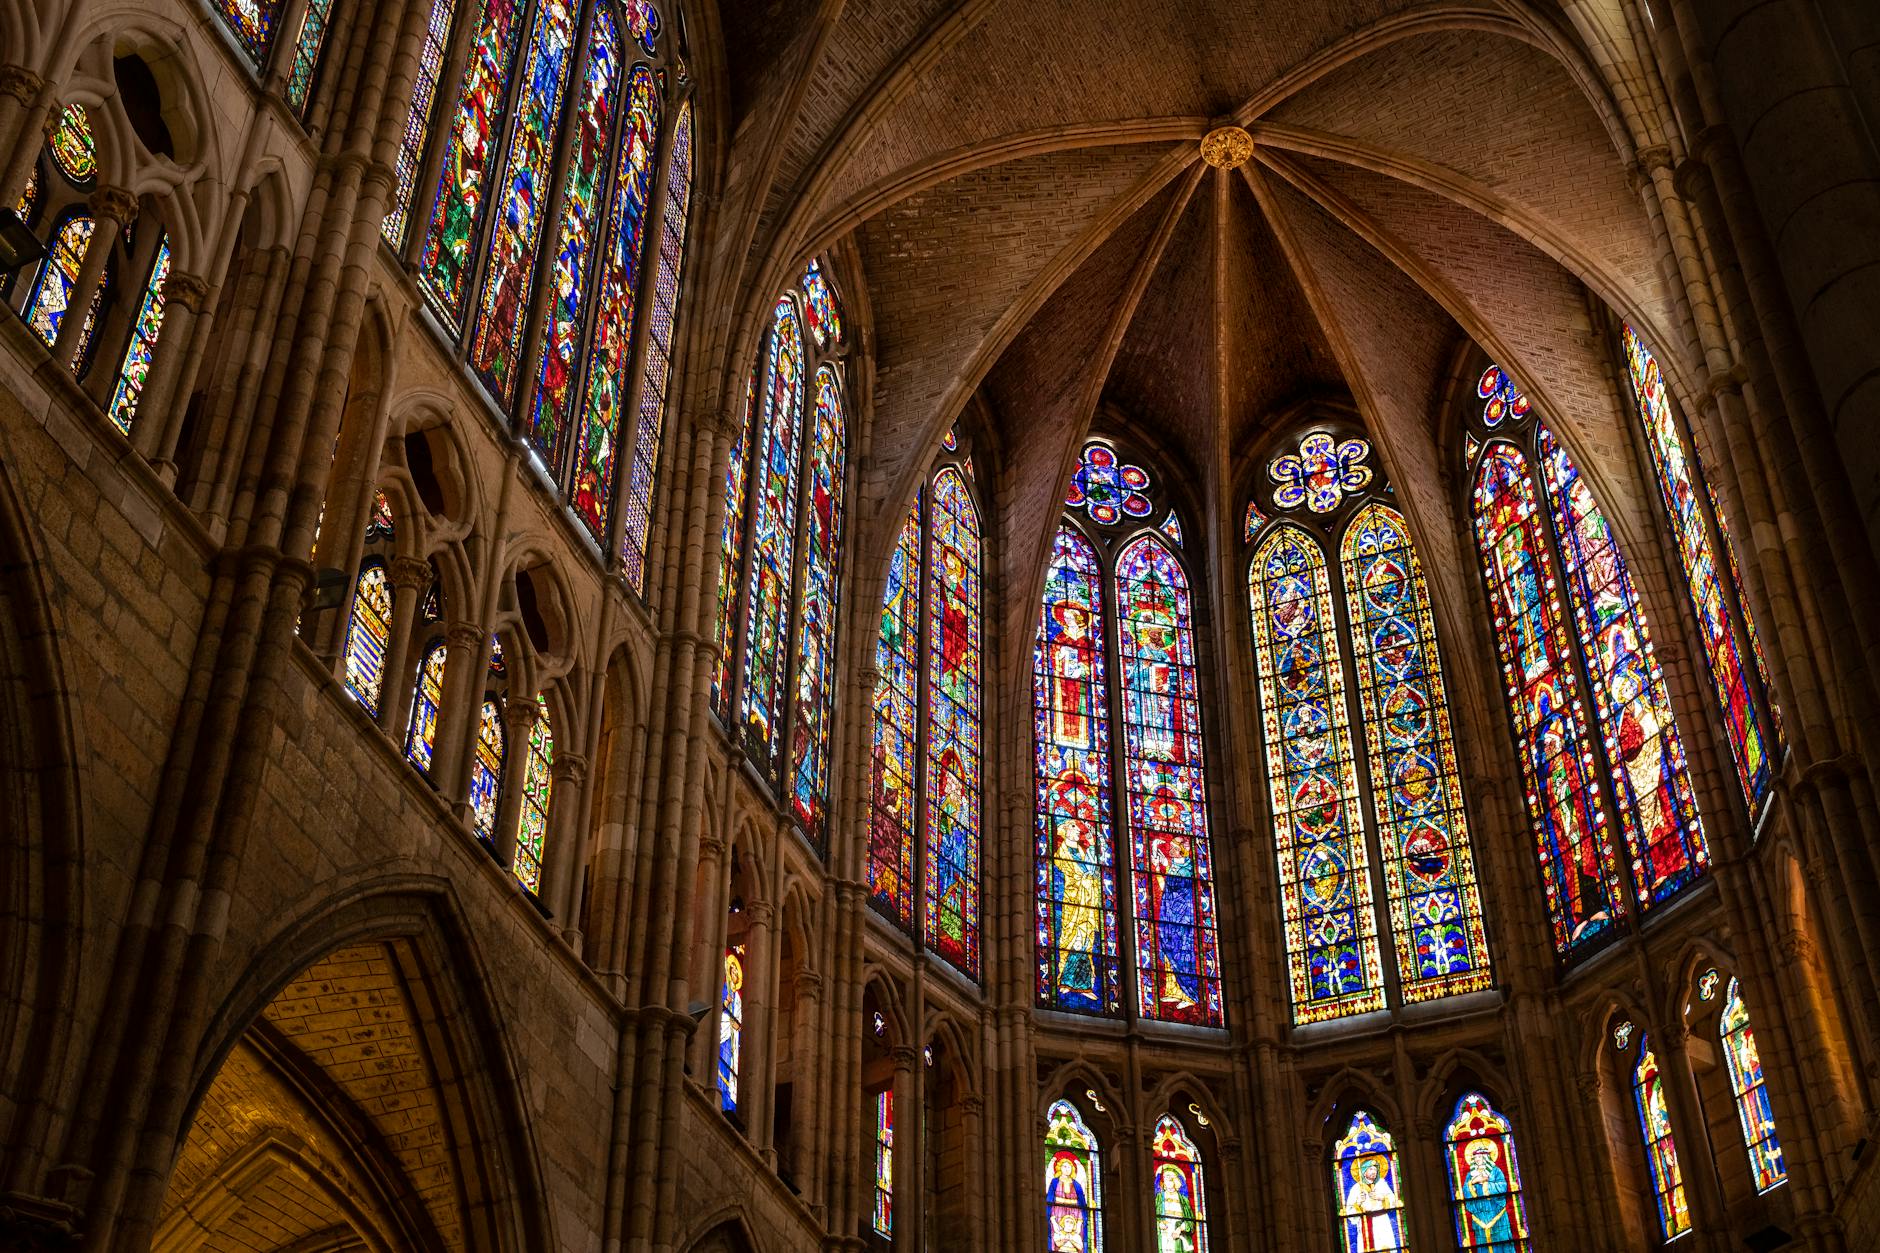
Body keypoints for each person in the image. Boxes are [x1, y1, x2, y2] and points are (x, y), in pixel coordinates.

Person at [1458, 1140, 1515, 1247]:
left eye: (1479, 1157)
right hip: (1479, 1215)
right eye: (1475, 1157)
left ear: (1485, 1157)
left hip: (1497, 1212)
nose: (1476, 1159)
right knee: (1482, 1244)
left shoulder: (1495, 1171)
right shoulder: (1470, 1175)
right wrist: (1473, 1182)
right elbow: (1465, 1191)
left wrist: (1486, 1184)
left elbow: (1502, 1186)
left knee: (1502, 1240)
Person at [1342, 1154, 1404, 1251]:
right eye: (1371, 1169)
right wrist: (1358, 1203)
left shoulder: (1382, 1184)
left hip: (1382, 1221)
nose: (1374, 1172)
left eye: (1375, 1169)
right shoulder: (1356, 1188)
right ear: (1364, 1171)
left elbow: (1394, 1201)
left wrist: (1382, 1198)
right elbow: (1349, 1211)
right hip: (1365, 1223)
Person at [1045, 1154, 1090, 1251]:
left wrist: (1079, 1223)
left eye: (1069, 1167)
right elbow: (1050, 1201)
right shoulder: (1054, 1182)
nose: (1067, 1169)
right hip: (1057, 1212)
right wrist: (1053, 1221)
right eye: (1064, 1166)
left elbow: (1081, 1204)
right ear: (1059, 1168)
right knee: (1057, 1235)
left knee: (1075, 1236)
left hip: (1075, 1213)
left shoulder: (1076, 1184)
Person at [1153, 1163, 1198, 1253]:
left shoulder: (1184, 1200)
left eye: (1171, 1179)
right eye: (1165, 1178)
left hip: (1180, 1240)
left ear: (1177, 1181)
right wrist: (1159, 1224)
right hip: (1164, 1238)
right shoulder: (1159, 1198)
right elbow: (1151, 1218)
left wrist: (1180, 1228)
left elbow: (1191, 1223)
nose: (1168, 1181)